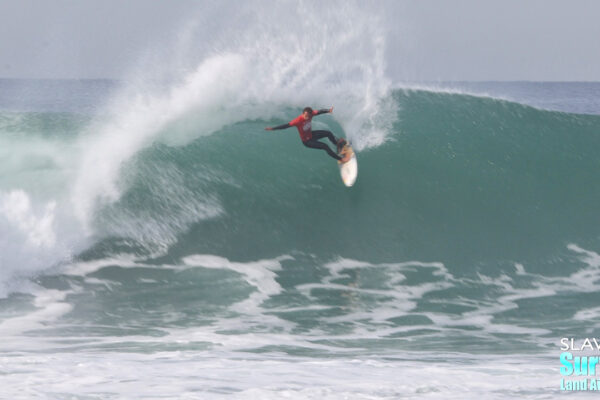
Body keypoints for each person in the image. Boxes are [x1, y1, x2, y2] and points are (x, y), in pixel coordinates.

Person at [265, 106, 351, 163]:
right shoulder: (297, 121)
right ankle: (342, 159)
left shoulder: (311, 114)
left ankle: (337, 146)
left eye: (308, 115)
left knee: (328, 133)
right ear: (303, 113)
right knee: (325, 146)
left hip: (311, 134)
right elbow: (286, 126)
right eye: (305, 115)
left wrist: (328, 110)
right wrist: (272, 129)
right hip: (307, 141)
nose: (306, 117)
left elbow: (319, 112)